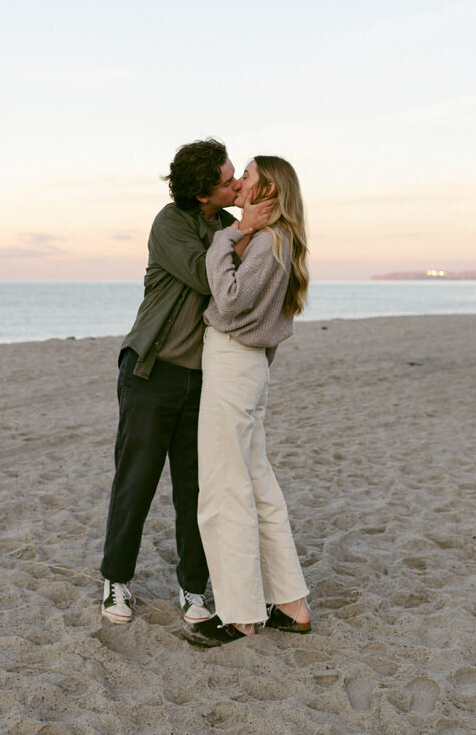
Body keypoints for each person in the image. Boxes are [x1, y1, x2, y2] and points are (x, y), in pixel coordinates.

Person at [100, 138, 271, 625]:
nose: (238, 184)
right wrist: (242, 229)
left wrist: (245, 226)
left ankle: (193, 589)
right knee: (136, 480)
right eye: (228, 181)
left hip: (204, 381)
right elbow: (206, 276)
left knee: (198, 487)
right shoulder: (170, 223)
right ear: (203, 194)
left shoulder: (227, 226)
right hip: (150, 373)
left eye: (239, 174)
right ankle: (116, 581)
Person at [187, 155, 312, 645]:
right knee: (256, 483)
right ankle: (290, 602)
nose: (238, 183)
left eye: (249, 177)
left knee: (224, 489)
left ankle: (240, 614)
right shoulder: (278, 242)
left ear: (269, 194)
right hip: (250, 366)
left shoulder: (264, 241)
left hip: (234, 364)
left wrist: (227, 235)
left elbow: (232, 300)